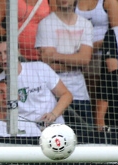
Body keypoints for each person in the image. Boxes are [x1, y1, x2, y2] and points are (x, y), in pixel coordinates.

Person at [36, 0, 95, 129]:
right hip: (53, 94)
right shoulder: (46, 24)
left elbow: (85, 59)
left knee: (87, 140)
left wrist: (56, 56)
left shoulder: (85, 24)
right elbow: (47, 64)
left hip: (79, 93)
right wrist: (76, 62)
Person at [0, 66, 73, 138]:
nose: (3, 57)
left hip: (55, 131)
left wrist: (53, 114)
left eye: (6, 52)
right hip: (23, 135)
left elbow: (67, 95)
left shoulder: (39, 68)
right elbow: (0, 113)